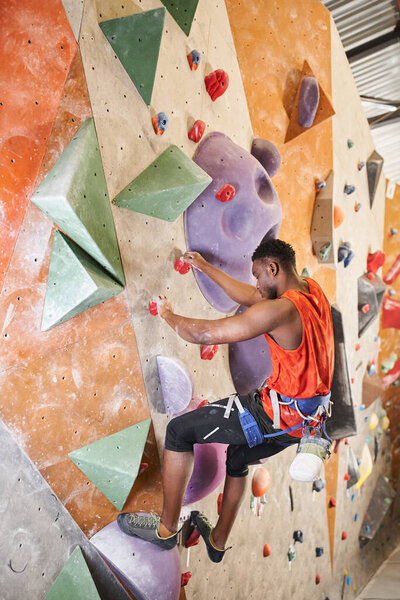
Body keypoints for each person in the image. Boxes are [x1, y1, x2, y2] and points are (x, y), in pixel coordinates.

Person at [117, 239, 334, 562]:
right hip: (306, 421)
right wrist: (204, 267)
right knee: (237, 458)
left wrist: (168, 315)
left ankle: (165, 531)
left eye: (259, 276)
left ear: (273, 268)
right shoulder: (312, 291)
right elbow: (252, 297)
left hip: (274, 417)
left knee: (178, 432)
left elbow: (204, 334)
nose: (257, 285)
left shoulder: (281, 310)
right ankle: (217, 541)